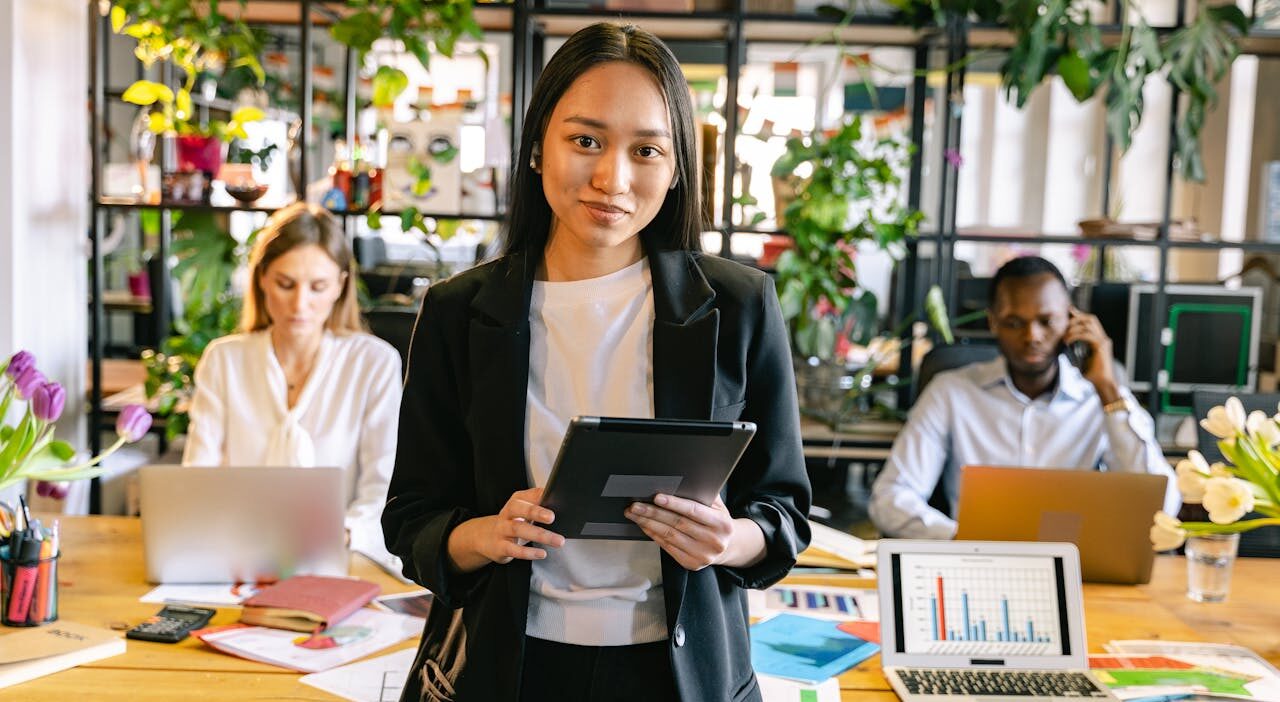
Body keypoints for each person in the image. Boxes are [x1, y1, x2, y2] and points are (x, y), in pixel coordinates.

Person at [383, 23, 811, 702]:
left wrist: (730, 541)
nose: (612, 178)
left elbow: (783, 510)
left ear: (676, 172)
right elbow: (412, 521)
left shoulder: (740, 304)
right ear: (536, 148)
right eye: (586, 141)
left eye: (646, 150)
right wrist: (486, 536)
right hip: (512, 667)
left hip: (680, 676)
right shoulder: (457, 312)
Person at [869, 255, 1177, 539]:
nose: (1032, 336)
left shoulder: (1100, 399)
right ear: (993, 321)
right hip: (976, 565)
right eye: (1015, 323)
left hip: (1078, 571)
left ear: (1070, 320)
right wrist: (965, 539)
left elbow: (1162, 509)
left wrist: (1109, 390)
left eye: (1046, 321)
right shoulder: (951, 393)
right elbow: (890, 499)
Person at [183, 202, 403, 565]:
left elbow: (383, 486)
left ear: (340, 286)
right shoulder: (224, 359)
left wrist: (340, 533)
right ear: (262, 279)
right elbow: (199, 479)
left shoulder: (373, 363)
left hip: (342, 553)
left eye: (318, 286)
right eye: (286, 284)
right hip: (235, 553)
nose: (300, 304)